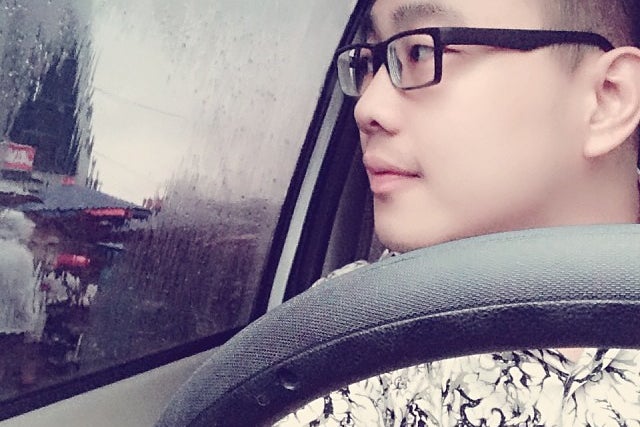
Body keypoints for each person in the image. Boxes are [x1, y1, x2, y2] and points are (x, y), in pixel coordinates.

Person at [275, 0, 640, 425]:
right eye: (371, 62)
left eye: (421, 52)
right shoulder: (345, 327)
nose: (367, 108)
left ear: (607, 99)